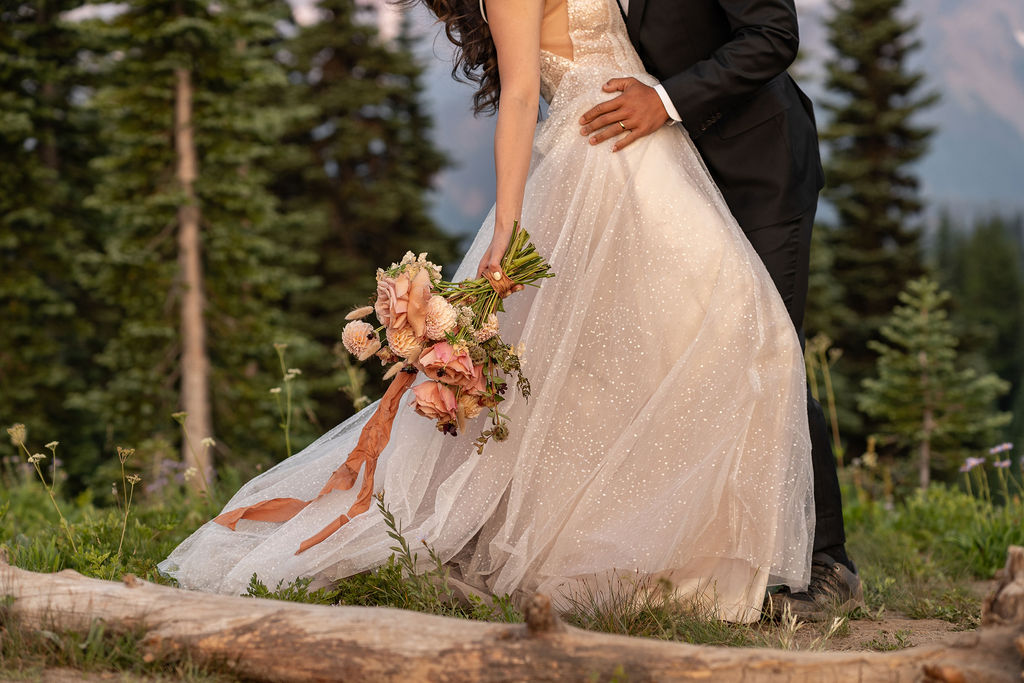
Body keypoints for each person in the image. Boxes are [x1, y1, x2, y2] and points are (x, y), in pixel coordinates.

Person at [159, 0, 815, 623]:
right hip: (605, 155)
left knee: (683, 342)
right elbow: (523, 95)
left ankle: (682, 545)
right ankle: (645, 553)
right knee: (722, 328)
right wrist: (507, 225)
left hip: (652, 144)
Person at [575, 0, 862, 620]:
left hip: (756, 170)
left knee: (770, 356)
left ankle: (828, 563)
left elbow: (772, 35)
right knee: (685, 360)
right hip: (662, 184)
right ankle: (727, 559)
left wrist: (667, 101)